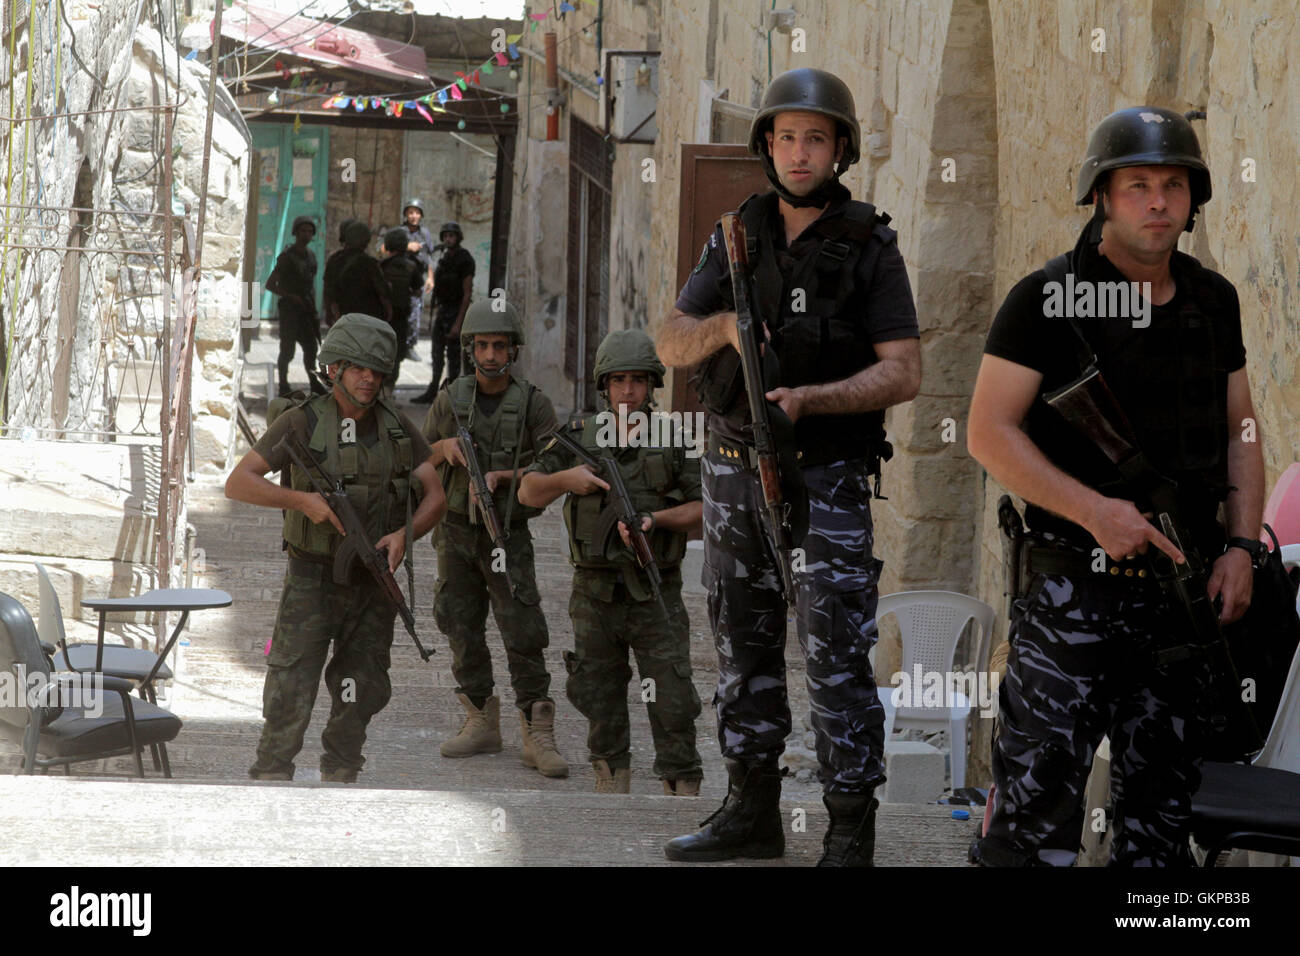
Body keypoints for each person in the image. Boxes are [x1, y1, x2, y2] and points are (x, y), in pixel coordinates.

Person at [966, 107, 1263, 867]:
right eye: (1137, 185)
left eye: (1173, 185)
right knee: (1034, 822)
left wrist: (1237, 547)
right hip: (1074, 594)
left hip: (1181, 599)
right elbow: (989, 431)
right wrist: (1093, 511)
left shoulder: (1212, 302)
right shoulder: (1048, 299)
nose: (1158, 201)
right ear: (1101, 196)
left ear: (1193, 199)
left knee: (1161, 832)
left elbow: (1241, 431)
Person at [655, 67, 921, 865]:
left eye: (816, 137)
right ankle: (750, 809)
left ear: (840, 148)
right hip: (733, 470)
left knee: (837, 656)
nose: (800, 152)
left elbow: (904, 371)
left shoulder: (870, 245)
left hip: (825, 478)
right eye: (786, 137)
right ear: (765, 145)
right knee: (741, 643)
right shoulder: (737, 233)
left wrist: (813, 399)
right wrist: (727, 333)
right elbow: (671, 340)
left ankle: (848, 830)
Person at [225, 313, 446, 783]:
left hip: (371, 584)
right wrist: (301, 500)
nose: (369, 379)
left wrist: (405, 535)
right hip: (311, 580)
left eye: (377, 371)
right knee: (291, 683)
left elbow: (437, 497)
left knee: (359, 687)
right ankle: (272, 773)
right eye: (358, 368)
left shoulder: (397, 429)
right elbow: (239, 483)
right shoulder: (301, 421)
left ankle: (341, 772)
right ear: (334, 369)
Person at [519, 329, 704, 795]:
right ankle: (610, 786)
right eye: (618, 380)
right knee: (599, 695)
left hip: (655, 591)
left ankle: (680, 789)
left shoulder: (674, 436)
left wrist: (655, 520)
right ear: (604, 385)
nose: (627, 391)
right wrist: (568, 478)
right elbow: (527, 490)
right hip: (595, 595)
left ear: (651, 385)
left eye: (637, 381)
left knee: (673, 697)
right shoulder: (578, 436)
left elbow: (705, 509)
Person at [421, 299, 569, 779]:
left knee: (522, 629)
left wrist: (512, 474)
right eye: (482, 345)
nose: (489, 355)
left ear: (512, 349)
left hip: (507, 534)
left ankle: (536, 729)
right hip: (455, 532)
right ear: (470, 349)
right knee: (459, 623)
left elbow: (558, 462)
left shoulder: (533, 402)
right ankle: (480, 718)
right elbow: (417, 458)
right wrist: (444, 448)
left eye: (498, 345)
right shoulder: (450, 399)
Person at [414, 221, 475, 403]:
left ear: (458, 238)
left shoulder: (464, 259)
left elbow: (467, 293)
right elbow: (433, 269)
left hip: (457, 310)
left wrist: (458, 322)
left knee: (454, 357)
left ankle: (453, 394)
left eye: (452, 236)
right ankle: (433, 389)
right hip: (443, 309)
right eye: (446, 236)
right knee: (436, 352)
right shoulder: (444, 257)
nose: (448, 239)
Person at [265, 215, 324, 397]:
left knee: (311, 349)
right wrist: (290, 296)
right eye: (303, 231)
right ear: (296, 232)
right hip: (290, 311)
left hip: (306, 311)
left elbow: (310, 284)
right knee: (287, 351)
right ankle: (283, 384)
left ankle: (314, 382)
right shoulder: (286, 257)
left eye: (309, 231)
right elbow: (270, 284)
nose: (306, 234)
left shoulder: (311, 256)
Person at [322, 220, 392, 327]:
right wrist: (388, 310)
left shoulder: (334, 260)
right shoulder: (369, 263)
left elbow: (328, 289)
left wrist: (328, 311)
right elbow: (382, 290)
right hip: (367, 317)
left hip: (343, 316)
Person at [379, 227, 425, 386]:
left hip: (383, 317)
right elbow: (418, 291)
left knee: (380, 353)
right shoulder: (411, 266)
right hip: (401, 318)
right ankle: (389, 390)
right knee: (396, 356)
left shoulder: (382, 266)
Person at [400, 198, 437, 361]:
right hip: (401, 279)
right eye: (410, 212)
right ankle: (398, 345)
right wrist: (406, 246)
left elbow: (429, 256)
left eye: (416, 213)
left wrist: (430, 277)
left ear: (421, 215)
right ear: (406, 214)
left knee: (415, 313)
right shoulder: (400, 232)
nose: (413, 216)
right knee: (400, 312)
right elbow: (384, 249)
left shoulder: (424, 233)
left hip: (418, 279)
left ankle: (409, 346)